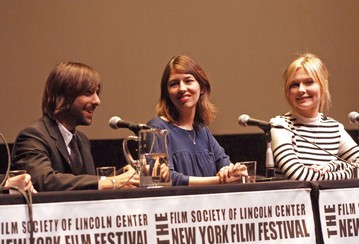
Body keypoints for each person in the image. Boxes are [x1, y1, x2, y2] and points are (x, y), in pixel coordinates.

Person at [12, 62, 138, 192]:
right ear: (64, 96)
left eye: (97, 93)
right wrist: (113, 182)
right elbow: (43, 180)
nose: (97, 101)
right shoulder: (33, 136)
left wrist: (123, 175)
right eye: (88, 93)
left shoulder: (81, 140)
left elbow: (85, 184)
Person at [147, 55, 244, 186]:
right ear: (167, 93)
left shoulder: (203, 132)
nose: (182, 88)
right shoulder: (157, 128)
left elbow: (227, 167)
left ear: (202, 87)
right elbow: (164, 179)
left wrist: (231, 171)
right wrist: (218, 180)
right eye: (174, 84)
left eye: (188, 81)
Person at [270, 53, 359, 180]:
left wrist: (334, 166)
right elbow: (299, 176)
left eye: (309, 82)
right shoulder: (280, 125)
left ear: (323, 86)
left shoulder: (334, 128)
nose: (301, 90)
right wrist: (341, 174)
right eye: (294, 85)